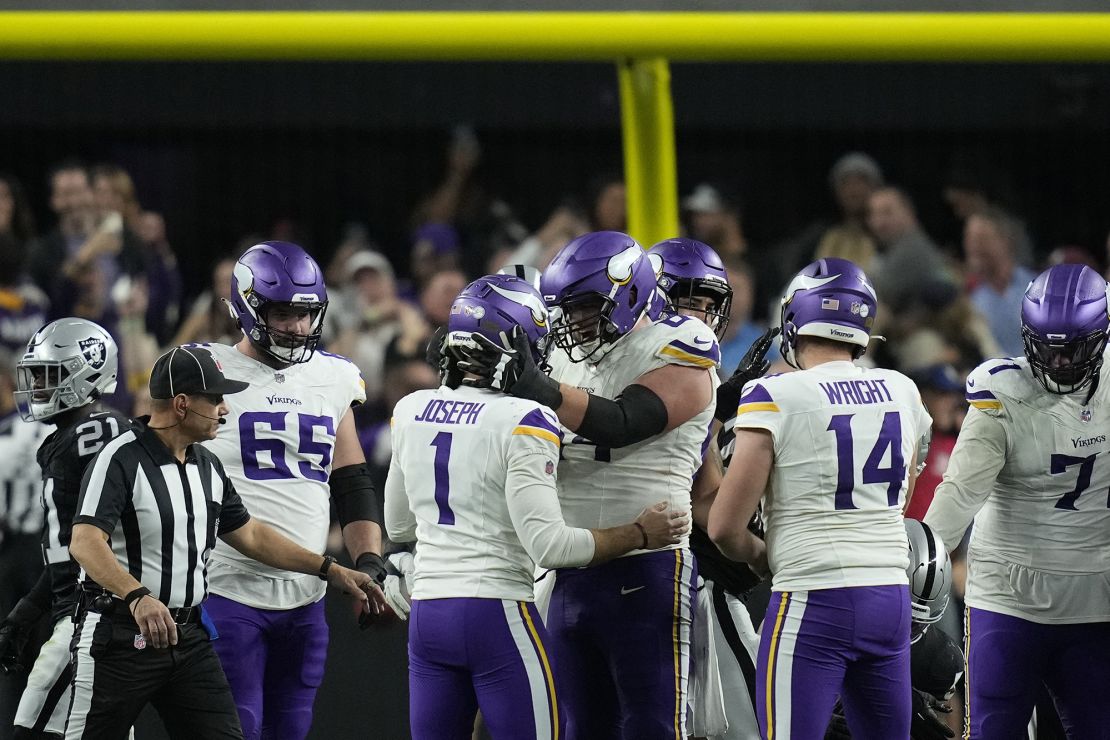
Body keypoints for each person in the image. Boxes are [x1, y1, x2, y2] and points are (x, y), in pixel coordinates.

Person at [385, 273, 688, 739]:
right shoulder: (527, 417)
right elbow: (551, 546)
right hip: (497, 616)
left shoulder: (411, 408)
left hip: (429, 617)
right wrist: (640, 534)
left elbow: (398, 521)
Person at [464, 231, 716, 739]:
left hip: (647, 567)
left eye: (584, 307)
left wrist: (538, 386)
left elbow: (624, 421)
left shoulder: (681, 342)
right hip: (569, 566)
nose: (573, 322)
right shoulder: (564, 354)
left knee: (652, 727)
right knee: (578, 729)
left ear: (627, 293)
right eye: (567, 310)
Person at [64, 346, 382, 739]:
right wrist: (137, 596)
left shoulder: (206, 464)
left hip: (188, 634)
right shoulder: (120, 457)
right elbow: (84, 541)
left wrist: (328, 569)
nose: (225, 408)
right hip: (122, 631)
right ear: (182, 404)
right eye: (214, 398)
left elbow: (250, 534)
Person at [708, 257, 932, 739]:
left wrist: (761, 556)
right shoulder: (903, 389)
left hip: (813, 598)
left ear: (796, 319)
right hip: (889, 596)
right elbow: (901, 500)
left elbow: (725, 525)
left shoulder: (775, 394)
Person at [193, 241, 387, 740]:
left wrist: (368, 563)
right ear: (246, 306)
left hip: (306, 598)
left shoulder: (334, 375)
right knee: (239, 729)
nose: (297, 327)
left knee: (291, 730)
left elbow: (352, 482)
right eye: (281, 312)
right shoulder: (203, 370)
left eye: (305, 314)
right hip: (227, 589)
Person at [924, 263, 1110, 739]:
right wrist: (920, 564)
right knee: (993, 731)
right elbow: (961, 491)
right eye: (1048, 350)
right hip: (1008, 594)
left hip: (1095, 596)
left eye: (1073, 351)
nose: (1059, 364)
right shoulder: (1003, 391)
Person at [648, 236, 777, 740]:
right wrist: (716, 417)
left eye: (707, 306)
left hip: (682, 575)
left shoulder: (701, 374)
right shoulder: (615, 371)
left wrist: (750, 545)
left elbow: (705, 496)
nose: (699, 318)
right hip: (602, 566)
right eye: (686, 302)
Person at [0, 318, 130, 740]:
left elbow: (94, 544)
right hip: (79, 611)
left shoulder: (95, 434)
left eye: (47, 375)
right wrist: (27, 612)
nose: (36, 385)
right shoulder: (67, 436)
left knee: (30, 730)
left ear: (85, 372)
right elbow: (66, 553)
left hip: (93, 615)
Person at [825, 519, 964, 740]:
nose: (905, 632)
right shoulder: (817, 616)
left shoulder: (937, 660)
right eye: (899, 616)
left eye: (916, 624)